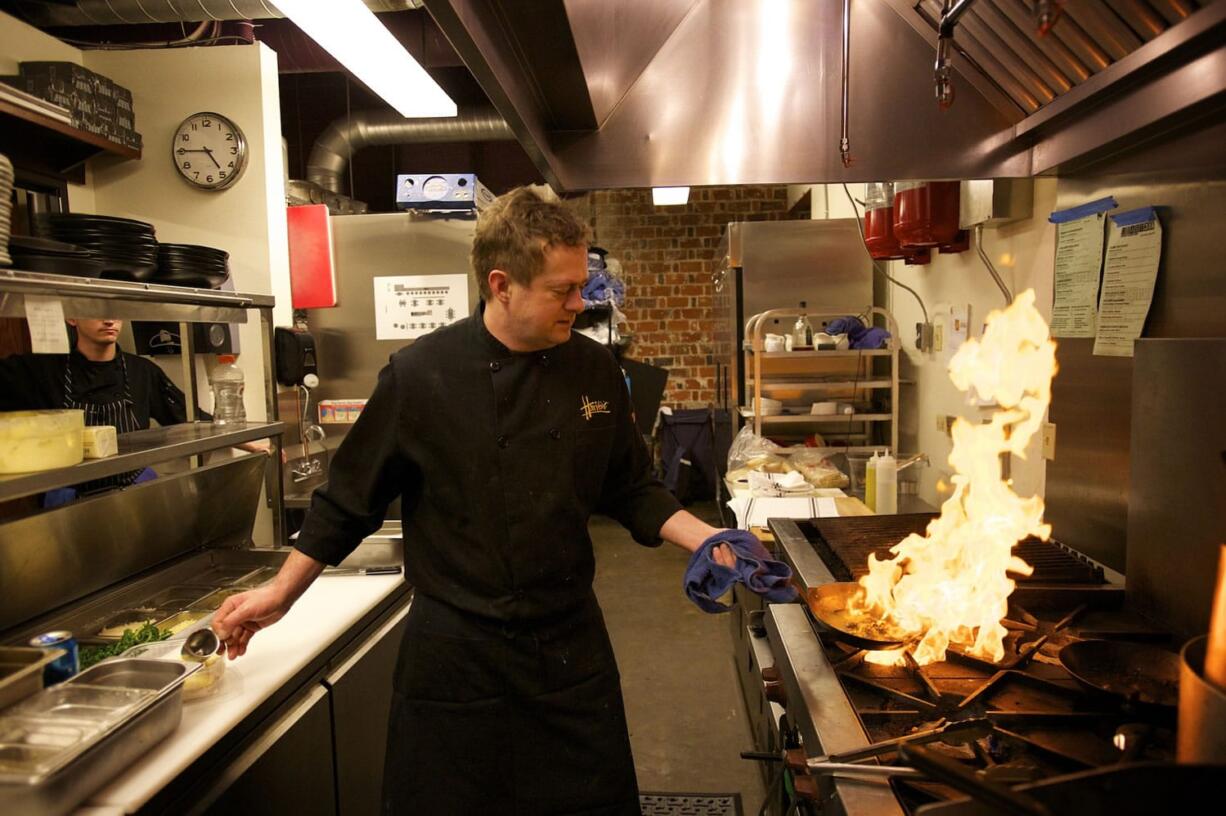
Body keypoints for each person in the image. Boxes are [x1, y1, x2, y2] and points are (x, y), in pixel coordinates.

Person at [213, 187, 749, 815]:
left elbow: (630, 486)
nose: (579, 303)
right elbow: (347, 501)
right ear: (502, 284)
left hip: (568, 649)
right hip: (456, 657)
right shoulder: (421, 375)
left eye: (582, 287)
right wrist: (281, 593)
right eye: (562, 290)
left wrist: (708, 539)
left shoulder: (594, 371)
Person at [0, 318, 209, 498]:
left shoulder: (142, 372)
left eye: (115, 309)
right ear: (72, 317)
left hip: (135, 495)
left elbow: (193, 420)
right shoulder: (42, 371)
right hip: (68, 504)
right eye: (96, 308)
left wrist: (239, 440)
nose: (109, 319)